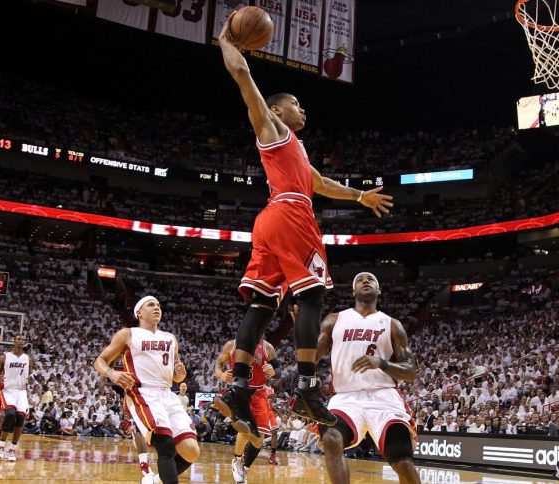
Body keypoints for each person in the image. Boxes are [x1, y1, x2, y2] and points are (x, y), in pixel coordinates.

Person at [215, 12, 394, 444]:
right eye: (296, 102)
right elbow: (241, 74)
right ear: (278, 109)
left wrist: (358, 196)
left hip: (270, 220)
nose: (303, 108)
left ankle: (239, 386)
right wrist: (226, 40)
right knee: (312, 294)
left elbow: (321, 183)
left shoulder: (294, 147)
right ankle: (308, 387)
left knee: (261, 307)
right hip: (292, 215)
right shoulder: (272, 126)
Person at [317, 272, 421, 484]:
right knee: (331, 439)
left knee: (403, 463)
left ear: (378, 290)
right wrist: (302, 332)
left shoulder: (392, 324)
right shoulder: (334, 320)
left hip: (384, 397)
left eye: (371, 279)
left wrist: (381, 363)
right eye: (360, 280)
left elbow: (410, 372)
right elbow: (312, 357)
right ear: (353, 291)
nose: (366, 281)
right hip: (346, 398)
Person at [94, 296, 199, 484]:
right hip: (143, 393)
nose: (157, 307)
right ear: (139, 313)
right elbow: (100, 361)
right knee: (166, 445)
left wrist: (179, 375)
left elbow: (176, 376)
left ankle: (154, 481)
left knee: (191, 451)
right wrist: (112, 374)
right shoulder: (128, 334)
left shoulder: (170, 338)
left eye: (158, 305)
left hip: (167, 393)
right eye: (151, 305)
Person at [213, 338, 282, 484]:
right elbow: (219, 364)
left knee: (258, 440)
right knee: (246, 429)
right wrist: (221, 375)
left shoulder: (267, 347)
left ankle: (244, 468)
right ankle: (237, 459)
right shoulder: (233, 345)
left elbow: (278, 370)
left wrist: (273, 372)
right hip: (240, 391)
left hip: (259, 393)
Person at [0, 334, 34, 462]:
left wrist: (31, 379)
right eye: (18, 339)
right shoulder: (5, 357)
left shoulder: (28, 359)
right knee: (10, 415)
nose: (21, 341)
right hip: (8, 390)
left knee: (21, 419)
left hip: (22, 391)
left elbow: (30, 375)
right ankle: (1, 447)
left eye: (23, 339)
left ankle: (12, 450)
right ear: (13, 341)